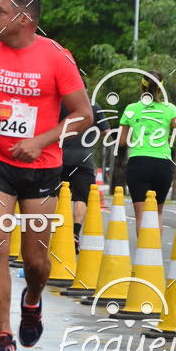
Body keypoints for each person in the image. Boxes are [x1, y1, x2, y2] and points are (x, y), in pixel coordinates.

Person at [0, 0, 92, 351]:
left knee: (37, 260)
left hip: (40, 167)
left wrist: (41, 140)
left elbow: (84, 114)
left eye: (1, 11)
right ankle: (3, 335)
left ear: (23, 19)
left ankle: (32, 300)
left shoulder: (56, 58)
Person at [119, 72, 176, 232]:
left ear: (142, 86)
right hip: (162, 164)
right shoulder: (170, 109)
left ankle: (143, 255)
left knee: (141, 216)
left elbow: (122, 142)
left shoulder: (131, 109)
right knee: (157, 213)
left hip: (138, 163)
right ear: (162, 88)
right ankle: (154, 254)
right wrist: (167, 140)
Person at [59, 101, 109, 252]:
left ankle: (57, 234)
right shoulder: (94, 107)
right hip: (83, 159)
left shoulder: (60, 104)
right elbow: (107, 132)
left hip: (60, 158)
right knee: (81, 198)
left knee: (54, 196)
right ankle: (74, 233)